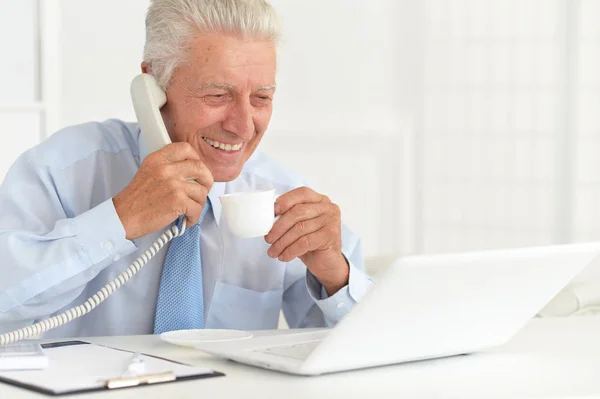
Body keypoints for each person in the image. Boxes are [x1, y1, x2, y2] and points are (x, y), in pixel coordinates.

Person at [0, 0, 373, 339]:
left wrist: (335, 276)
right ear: (153, 86)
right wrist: (118, 221)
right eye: (217, 95)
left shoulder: (281, 193)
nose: (243, 127)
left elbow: (366, 347)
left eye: (261, 97)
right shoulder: (62, 169)